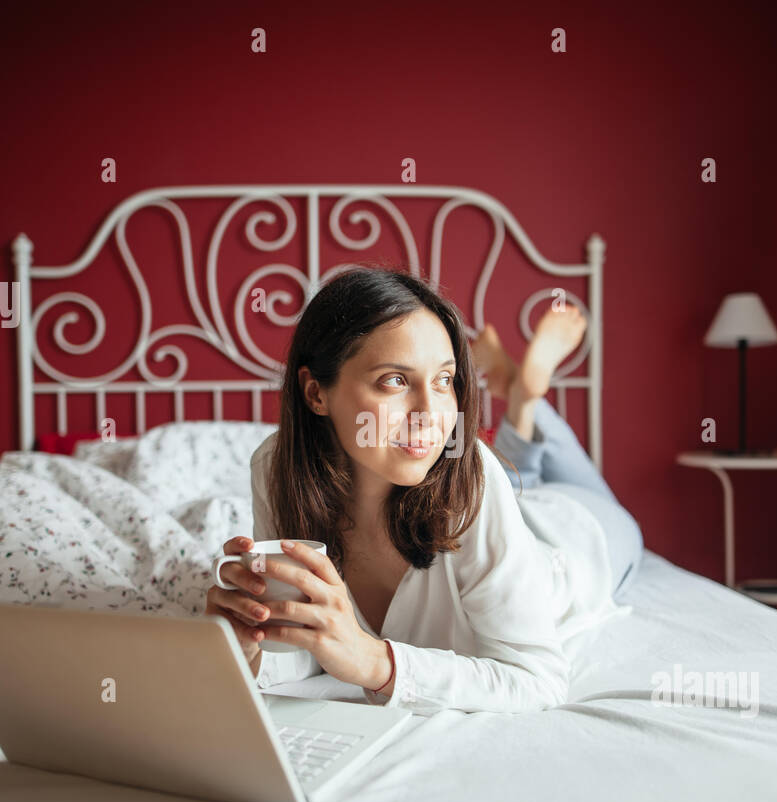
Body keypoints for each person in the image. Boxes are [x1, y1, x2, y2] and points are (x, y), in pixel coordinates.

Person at [202, 267, 643, 716]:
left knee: (543, 479)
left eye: (444, 380)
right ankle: (520, 401)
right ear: (316, 393)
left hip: (579, 531)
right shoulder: (277, 468)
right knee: (505, 472)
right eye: (394, 380)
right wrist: (249, 646)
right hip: (481, 493)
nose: (431, 414)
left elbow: (538, 680)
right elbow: (308, 644)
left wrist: (377, 662)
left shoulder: (474, 472)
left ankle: (527, 399)